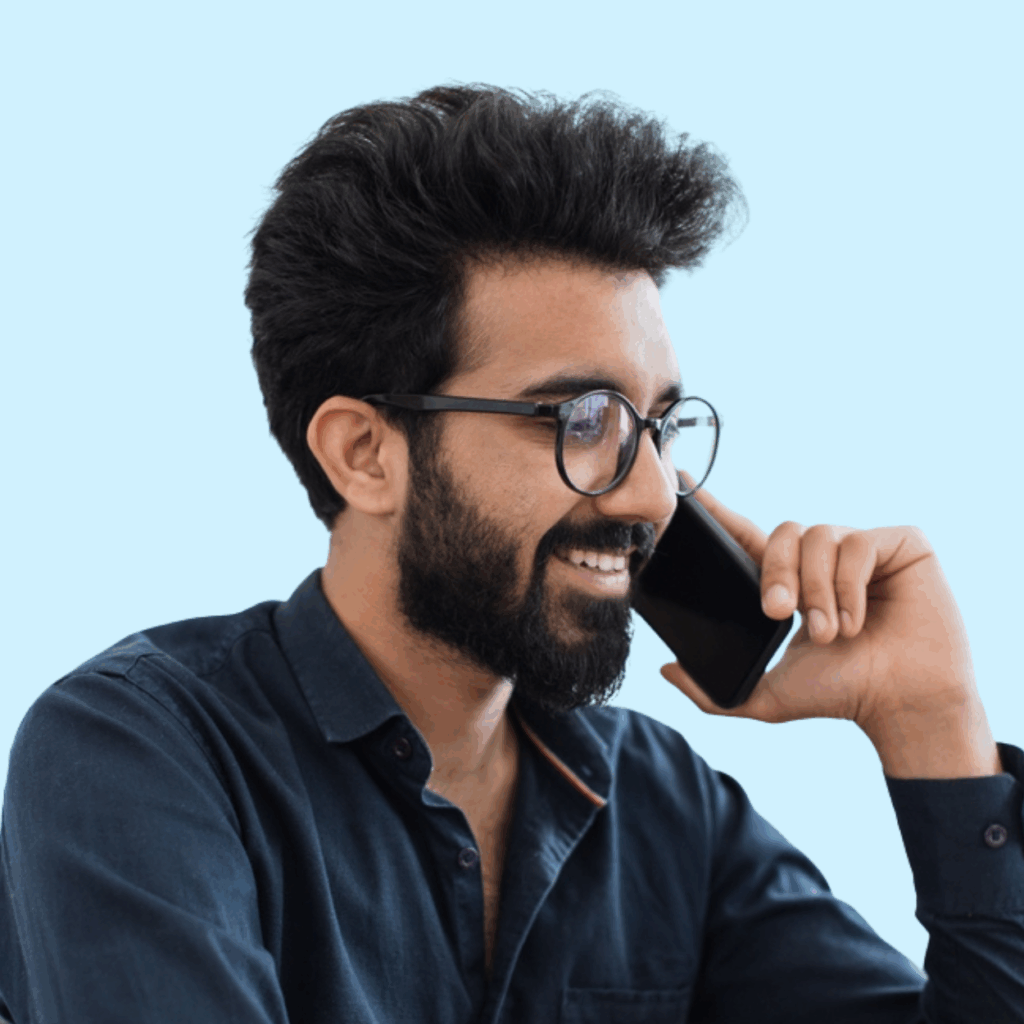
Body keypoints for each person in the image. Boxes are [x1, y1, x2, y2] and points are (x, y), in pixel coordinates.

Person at [0, 84, 1021, 1024]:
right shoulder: (135, 757)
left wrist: (935, 729)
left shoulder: (664, 805)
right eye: (583, 417)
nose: (653, 491)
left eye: (659, 424)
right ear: (364, 454)